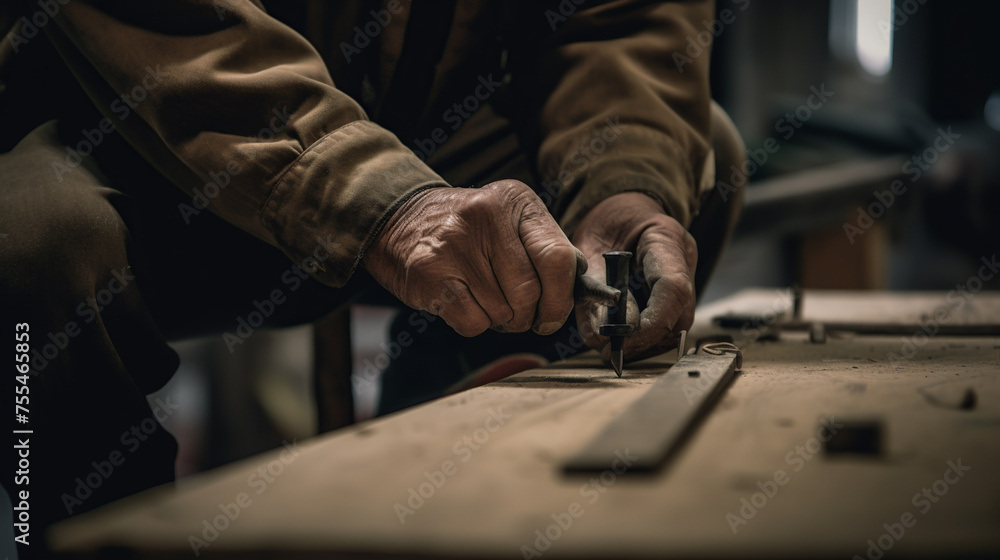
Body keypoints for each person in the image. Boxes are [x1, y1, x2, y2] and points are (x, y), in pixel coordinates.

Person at [0, 0, 743, 532]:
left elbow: (618, 20)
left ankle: (473, 487)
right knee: (33, 244)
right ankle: (80, 530)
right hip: (149, 128)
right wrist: (381, 199)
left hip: (409, 135)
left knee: (702, 153)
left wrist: (624, 180)